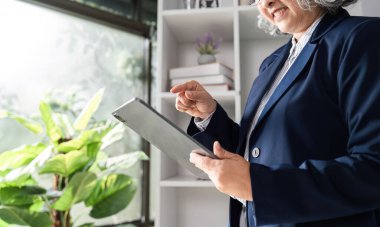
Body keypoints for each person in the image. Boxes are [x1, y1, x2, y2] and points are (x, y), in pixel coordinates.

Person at [170, 0, 380, 226]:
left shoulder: (363, 37)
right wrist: (210, 114)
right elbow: (258, 152)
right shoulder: (271, 63)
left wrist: (257, 186)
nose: (265, 2)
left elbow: (373, 168)